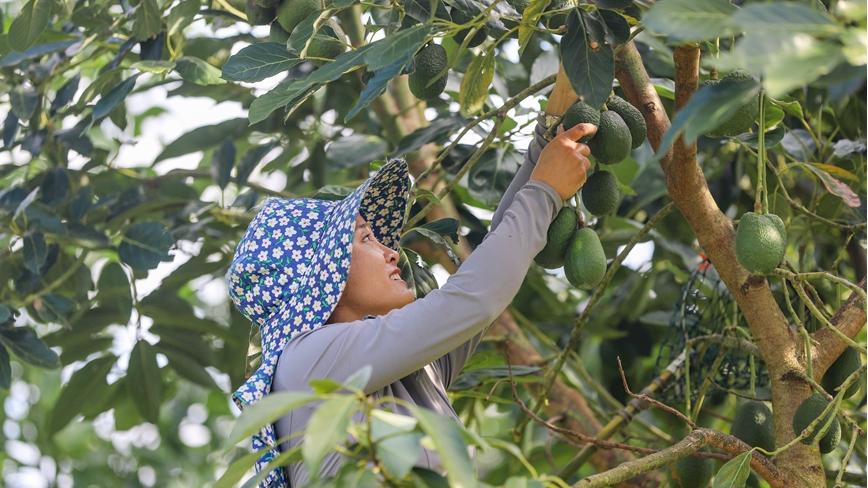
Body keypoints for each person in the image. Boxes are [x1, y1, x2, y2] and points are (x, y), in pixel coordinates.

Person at [226, 112, 597, 487]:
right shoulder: (306, 358)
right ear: (323, 274)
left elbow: (487, 275)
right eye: (366, 239)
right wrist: (544, 190)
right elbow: (474, 298)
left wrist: (543, 149)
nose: (391, 252)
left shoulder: (407, 367)